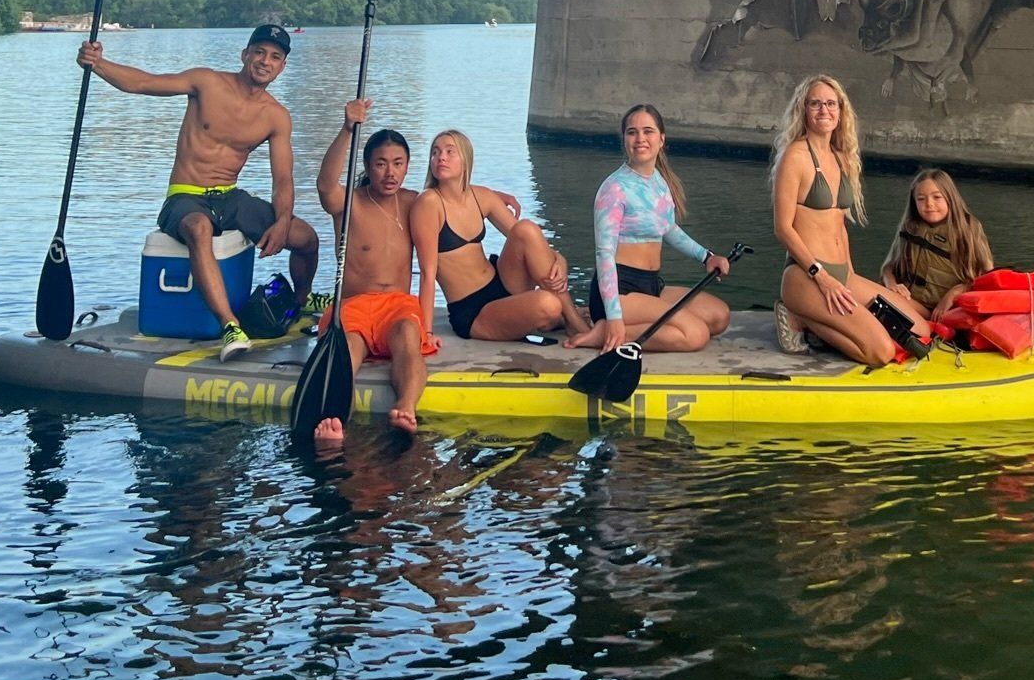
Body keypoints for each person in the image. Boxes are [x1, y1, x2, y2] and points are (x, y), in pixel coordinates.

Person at [76, 23, 319, 360]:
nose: (265, 61)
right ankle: (230, 326)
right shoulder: (207, 83)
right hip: (186, 195)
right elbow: (144, 83)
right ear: (245, 54)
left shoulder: (276, 116)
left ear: (282, 66)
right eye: (259, 52)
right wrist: (98, 64)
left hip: (230, 198)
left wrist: (282, 220)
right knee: (198, 228)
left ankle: (300, 302)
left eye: (275, 57)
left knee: (306, 238)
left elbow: (283, 179)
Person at [770, 74, 933, 366]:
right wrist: (821, 277)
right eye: (815, 103)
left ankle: (822, 319)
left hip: (842, 273)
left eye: (831, 104)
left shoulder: (842, 158)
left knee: (920, 330)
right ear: (803, 109)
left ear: (841, 110)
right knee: (881, 352)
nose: (824, 111)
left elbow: (839, 225)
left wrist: (849, 278)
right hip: (805, 276)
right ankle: (801, 319)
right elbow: (783, 228)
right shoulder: (795, 156)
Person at [312, 101, 438, 446]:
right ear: (367, 165)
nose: (390, 173)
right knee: (348, 349)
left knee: (408, 340)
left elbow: (459, 197)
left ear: (408, 166)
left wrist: (492, 197)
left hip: (397, 305)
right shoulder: (350, 202)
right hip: (353, 306)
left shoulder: (415, 202)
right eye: (381, 164)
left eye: (398, 164)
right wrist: (347, 129)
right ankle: (335, 419)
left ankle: (405, 407)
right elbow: (325, 186)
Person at [567, 103, 732, 353]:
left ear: (661, 139)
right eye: (632, 132)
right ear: (624, 140)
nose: (640, 138)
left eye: (648, 131)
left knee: (719, 316)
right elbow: (604, 255)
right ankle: (604, 330)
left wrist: (706, 257)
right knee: (695, 335)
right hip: (619, 291)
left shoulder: (659, 182)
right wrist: (613, 317)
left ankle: (613, 322)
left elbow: (668, 229)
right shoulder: (614, 188)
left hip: (651, 285)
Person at [412, 129, 591, 342]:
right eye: (435, 152)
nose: (441, 157)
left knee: (526, 228)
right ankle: (563, 317)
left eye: (450, 151)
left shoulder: (481, 196)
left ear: (466, 159)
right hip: (473, 311)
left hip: (502, 283)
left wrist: (560, 259)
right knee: (548, 305)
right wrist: (426, 333)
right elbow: (427, 273)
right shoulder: (429, 204)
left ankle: (571, 320)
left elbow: (530, 241)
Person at [881, 168, 993, 316]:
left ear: (950, 198)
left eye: (937, 197)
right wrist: (891, 285)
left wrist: (953, 293)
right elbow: (888, 267)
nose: (929, 204)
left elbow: (986, 276)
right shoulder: (910, 226)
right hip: (906, 301)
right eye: (921, 199)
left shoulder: (968, 229)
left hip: (940, 312)